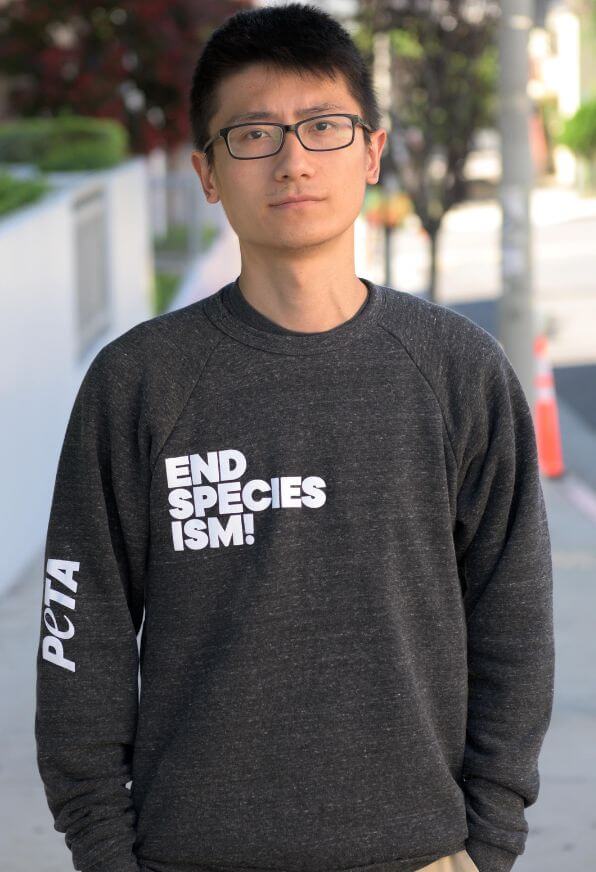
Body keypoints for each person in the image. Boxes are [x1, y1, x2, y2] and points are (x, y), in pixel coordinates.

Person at [34, 4, 555, 872]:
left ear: (372, 152)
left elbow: (515, 617)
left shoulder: (458, 371)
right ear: (206, 172)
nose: (292, 159)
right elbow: (76, 634)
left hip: (420, 856)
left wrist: (490, 839)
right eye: (252, 134)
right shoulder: (140, 383)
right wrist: (103, 850)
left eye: (323, 126)